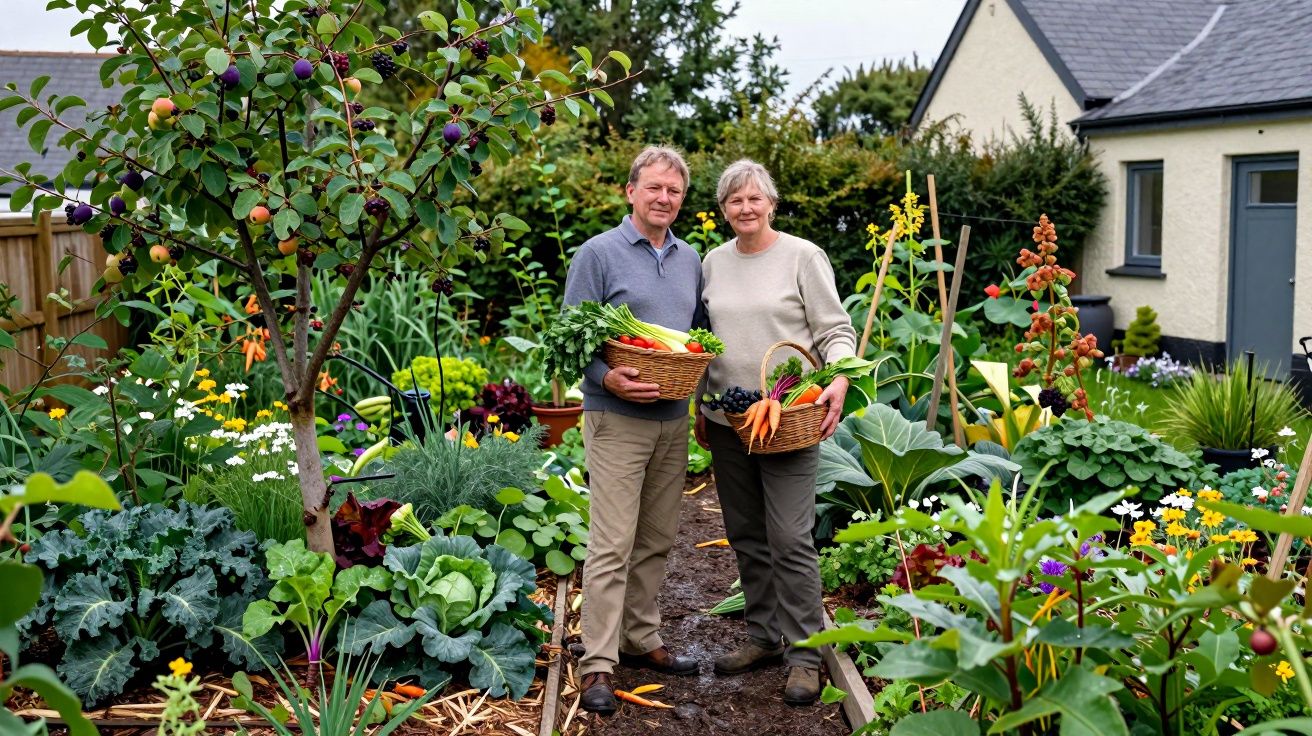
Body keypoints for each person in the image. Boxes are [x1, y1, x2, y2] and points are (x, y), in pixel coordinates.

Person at [694, 159, 856, 705]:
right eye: (734, 201)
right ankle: (764, 636)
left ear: (772, 204)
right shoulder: (712, 263)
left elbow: (836, 330)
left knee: (790, 537)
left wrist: (838, 379)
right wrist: (700, 405)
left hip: (788, 416)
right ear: (723, 210)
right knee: (745, 533)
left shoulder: (803, 256)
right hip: (728, 420)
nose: (745, 208)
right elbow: (704, 339)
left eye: (754, 199)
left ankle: (806, 654)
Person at [564, 146, 703, 716]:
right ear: (631, 191)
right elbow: (571, 341)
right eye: (654, 188)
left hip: (672, 420)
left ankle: (641, 638)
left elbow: (694, 339)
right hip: (616, 418)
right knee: (611, 543)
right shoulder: (597, 254)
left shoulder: (692, 258)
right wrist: (607, 378)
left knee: (656, 538)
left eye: (673, 191)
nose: (664, 198)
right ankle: (597, 660)